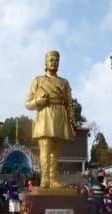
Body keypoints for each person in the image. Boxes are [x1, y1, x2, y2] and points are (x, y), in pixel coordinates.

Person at [25, 50, 76, 188]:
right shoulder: (38, 80)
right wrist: (38, 102)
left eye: (56, 60)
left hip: (60, 115)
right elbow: (28, 103)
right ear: (46, 63)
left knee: (56, 152)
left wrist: (72, 119)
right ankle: (45, 178)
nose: (54, 63)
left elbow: (69, 103)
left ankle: (54, 178)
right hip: (45, 114)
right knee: (45, 150)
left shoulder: (64, 82)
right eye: (51, 60)